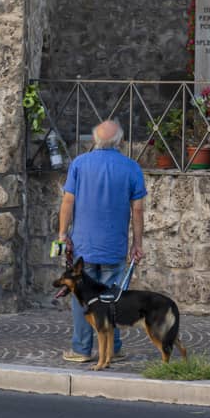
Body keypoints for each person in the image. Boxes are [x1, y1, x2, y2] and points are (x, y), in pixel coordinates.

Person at [57, 118, 146, 363]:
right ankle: (114, 347)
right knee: (112, 298)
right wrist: (137, 244)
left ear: (95, 139)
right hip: (114, 246)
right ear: (120, 142)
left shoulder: (79, 164)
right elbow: (137, 210)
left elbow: (67, 201)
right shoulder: (131, 168)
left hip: (82, 246)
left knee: (82, 298)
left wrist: (63, 234)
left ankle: (81, 349)